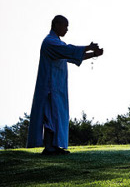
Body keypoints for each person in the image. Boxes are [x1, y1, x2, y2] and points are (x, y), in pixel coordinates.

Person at [27, 15, 104, 155]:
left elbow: (72, 56)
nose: (67, 29)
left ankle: (54, 145)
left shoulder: (57, 43)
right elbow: (69, 50)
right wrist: (89, 47)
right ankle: (49, 146)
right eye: (65, 26)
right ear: (56, 24)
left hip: (57, 86)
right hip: (49, 86)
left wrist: (93, 54)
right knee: (50, 115)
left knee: (57, 115)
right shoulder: (50, 42)